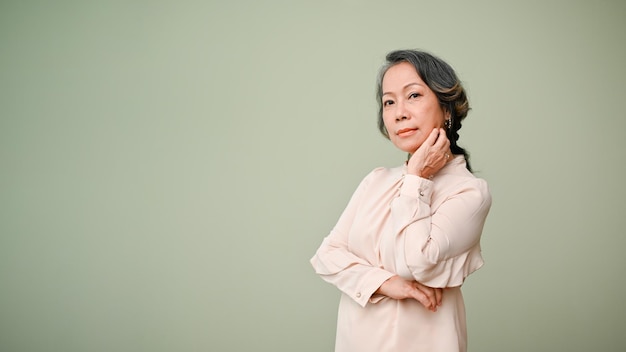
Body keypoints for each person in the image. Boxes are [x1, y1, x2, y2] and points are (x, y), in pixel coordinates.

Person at [310, 49, 492, 352]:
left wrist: (417, 179)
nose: (399, 112)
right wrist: (385, 283)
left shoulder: (470, 192)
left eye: (414, 96)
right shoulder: (376, 180)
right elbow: (327, 255)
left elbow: (417, 262)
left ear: (447, 109)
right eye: (389, 101)